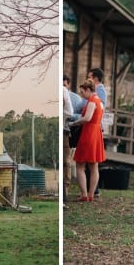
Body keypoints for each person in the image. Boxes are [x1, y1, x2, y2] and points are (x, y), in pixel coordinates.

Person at [71, 79, 106, 202]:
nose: (82, 95)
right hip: (96, 133)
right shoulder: (100, 102)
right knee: (94, 166)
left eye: (82, 92)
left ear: (88, 90)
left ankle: (85, 194)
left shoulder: (92, 101)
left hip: (89, 133)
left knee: (80, 165)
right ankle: (91, 194)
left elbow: (87, 118)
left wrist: (75, 122)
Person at [62, 74, 74, 208]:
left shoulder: (73, 97)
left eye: (64, 85)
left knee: (66, 162)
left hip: (66, 131)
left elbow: (72, 113)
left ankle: (65, 191)